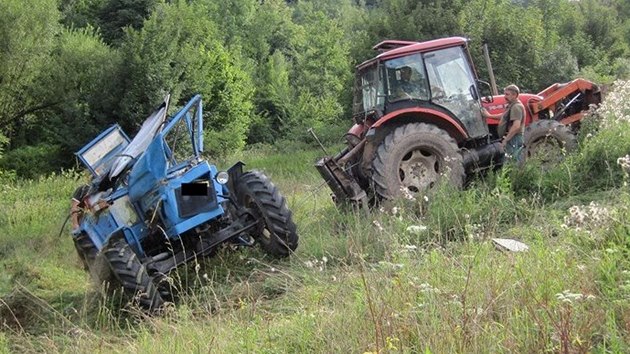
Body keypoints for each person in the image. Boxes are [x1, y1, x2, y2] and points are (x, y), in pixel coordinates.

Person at [482, 84, 525, 161]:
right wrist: (489, 115)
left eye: (507, 94)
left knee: (512, 161)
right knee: (508, 160)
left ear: (515, 95)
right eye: (504, 94)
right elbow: (504, 116)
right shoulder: (511, 105)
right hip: (511, 138)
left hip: (514, 138)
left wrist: (506, 140)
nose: (505, 97)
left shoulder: (516, 107)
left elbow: (516, 126)